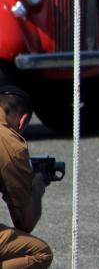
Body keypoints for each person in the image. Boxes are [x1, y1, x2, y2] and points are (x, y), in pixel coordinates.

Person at [0, 87, 53, 269]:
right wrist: (37, 185)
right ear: (22, 122)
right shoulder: (8, 141)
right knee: (40, 253)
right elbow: (24, 221)